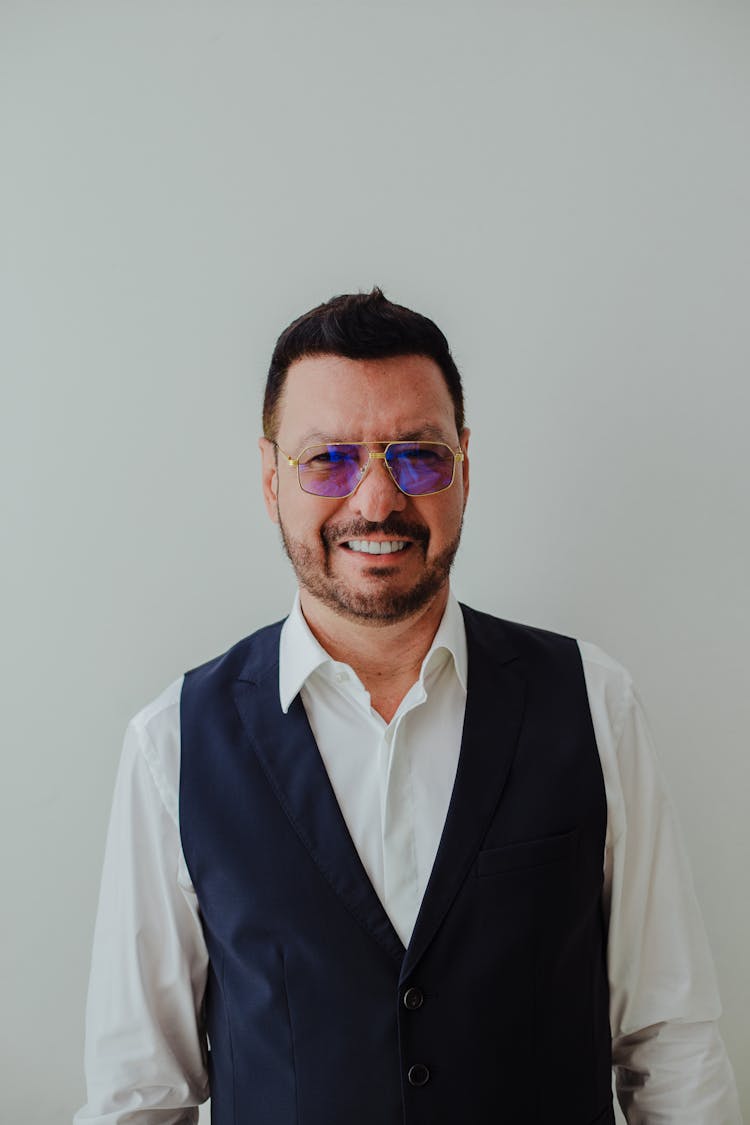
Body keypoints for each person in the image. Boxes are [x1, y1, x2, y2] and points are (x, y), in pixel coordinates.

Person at [75, 289, 742, 1124]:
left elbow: (669, 1043)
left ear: (464, 463)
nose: (377, 501)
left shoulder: (594, 702)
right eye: (328, 460)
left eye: (416, 455)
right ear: (268, 475)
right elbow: (141, 1093)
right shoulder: (172, 742)